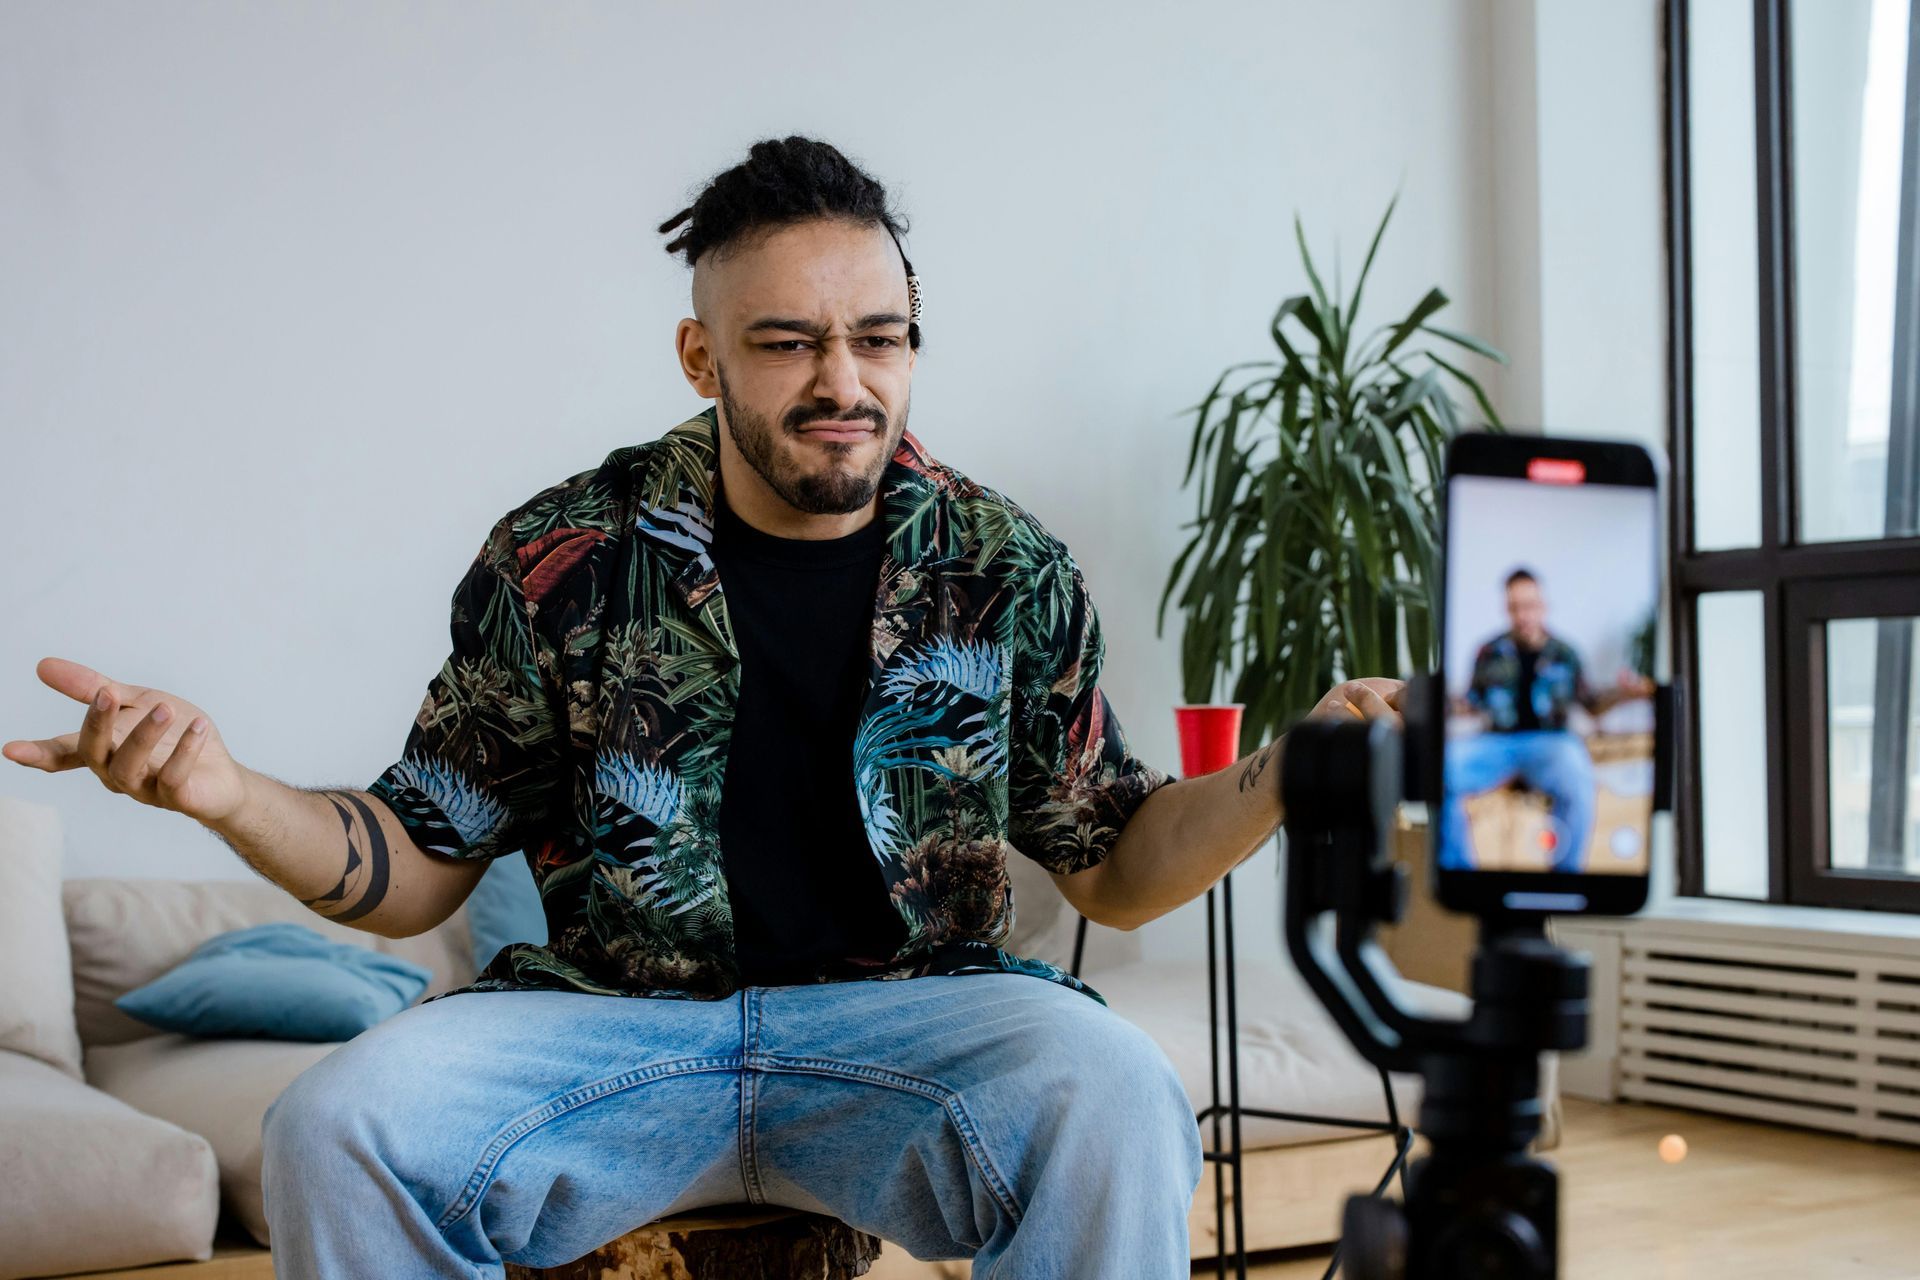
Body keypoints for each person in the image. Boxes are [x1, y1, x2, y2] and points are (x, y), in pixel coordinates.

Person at [3, 137, 1404, 1280]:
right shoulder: (563, 553)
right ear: (702, 356)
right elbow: (417, 861)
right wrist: (221, 788)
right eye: (790, 345)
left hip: (903, 1031)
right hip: (614, 1035)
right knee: (335, 1122)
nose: (843, 385)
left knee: (1113, 1089)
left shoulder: (1003, 567)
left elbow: (1115, 863)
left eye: (879, 340)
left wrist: (1289, 768)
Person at [1440, 567, 1653, 873]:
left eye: (1529, 606)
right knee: (1444, 768)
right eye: (1514, 607)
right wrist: (1438, 702)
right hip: (1497, 742)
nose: (1522, 615)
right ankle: (1461, 875)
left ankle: (1565, 878)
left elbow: (1590, 704)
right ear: (1507, 608)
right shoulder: (1488, 652)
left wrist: (1624, 694)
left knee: (1579, 779)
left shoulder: (1565, 654)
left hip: (1551, 742)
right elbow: (1471, 703)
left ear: (1543, 605)